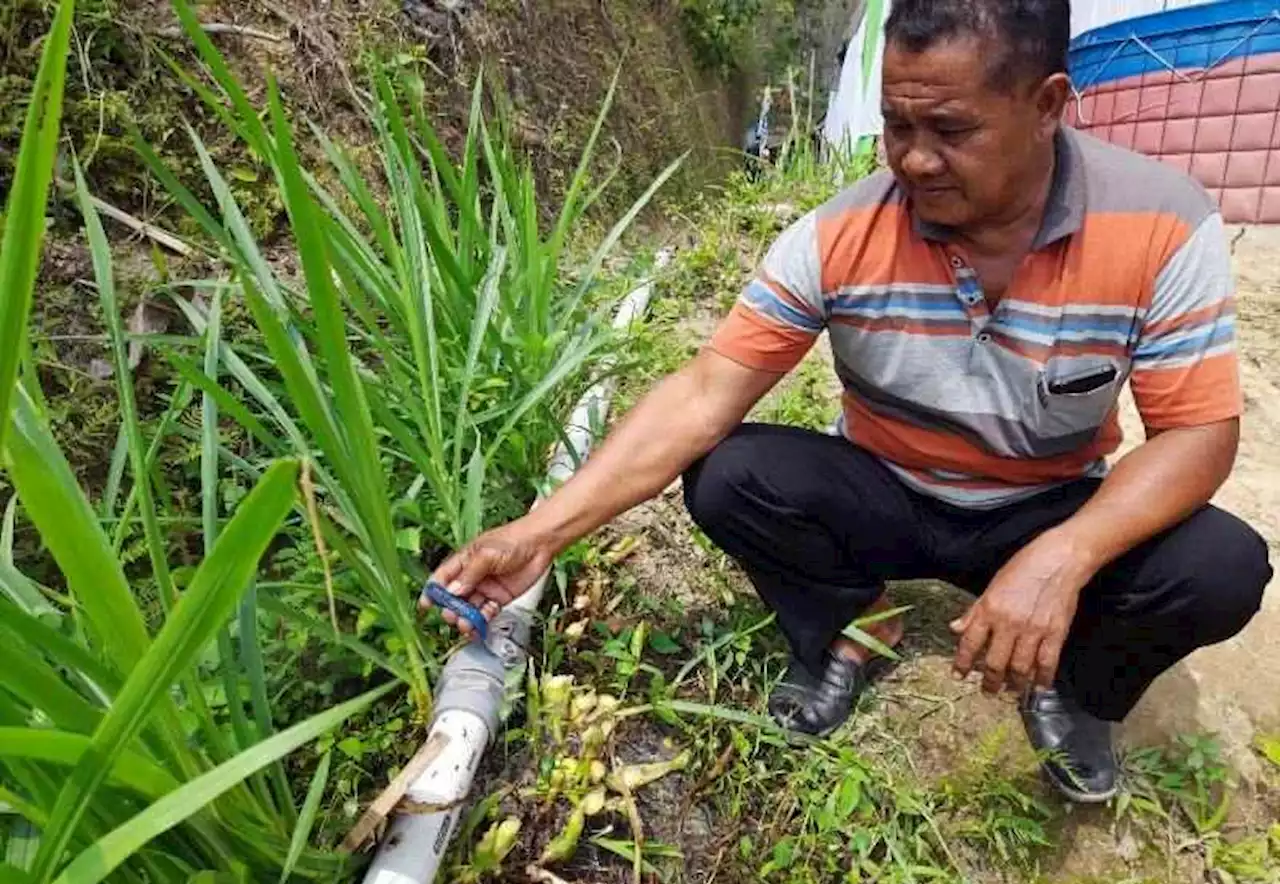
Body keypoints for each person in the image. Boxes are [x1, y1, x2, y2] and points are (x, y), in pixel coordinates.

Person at [424, 0, 1273, 804]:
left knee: (1219, 566)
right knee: (730, 473)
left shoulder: (1161, 223)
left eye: (950, 129)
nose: (913, 159)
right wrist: (539, 534)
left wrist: (1066, 555)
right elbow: (703, 394)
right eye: (897, 125)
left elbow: (1198, 434)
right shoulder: (839, 233)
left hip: (1044, 506)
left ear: (1048, 103)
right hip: (886, 491)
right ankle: (852, 628)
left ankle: (1074, 687)